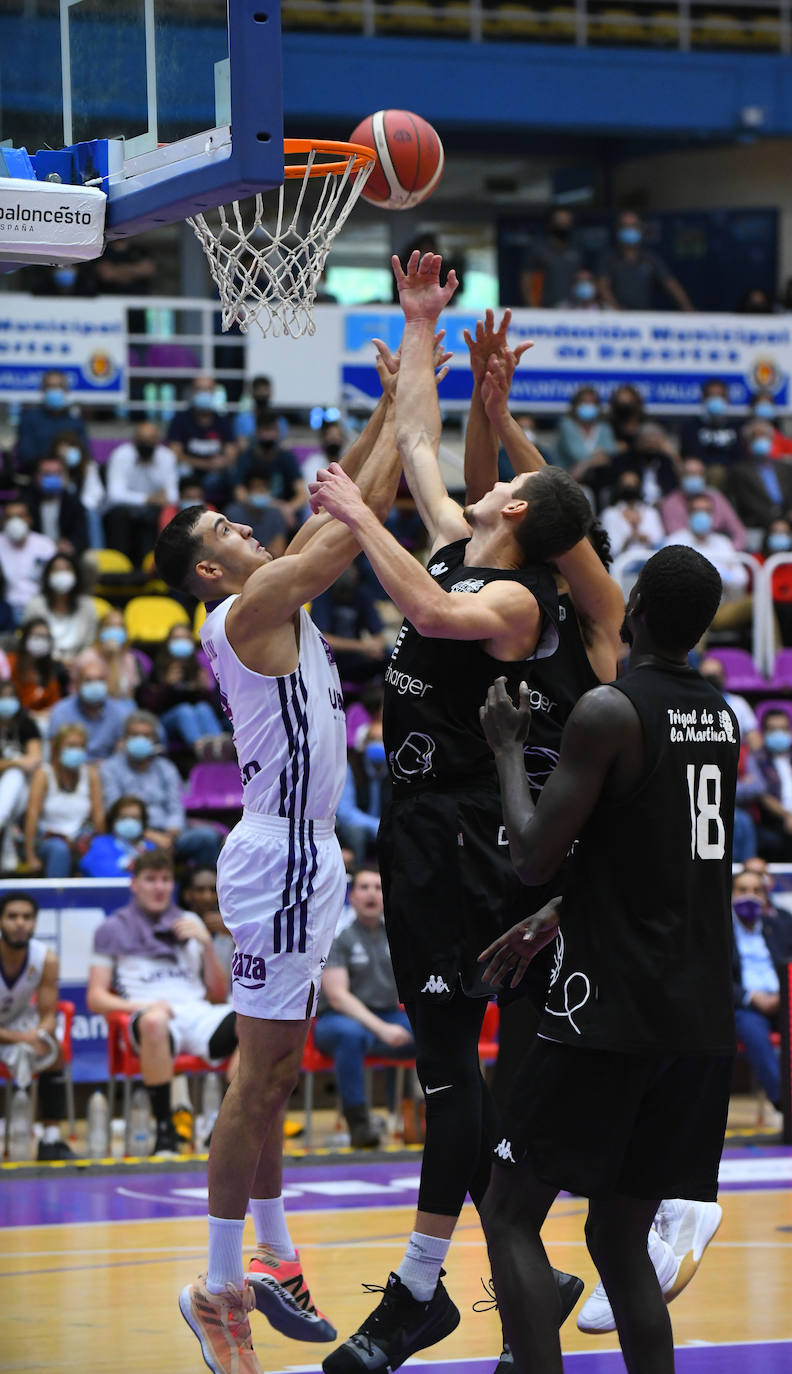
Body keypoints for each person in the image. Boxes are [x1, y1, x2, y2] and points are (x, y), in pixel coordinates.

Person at [312, 255, 591, 1374]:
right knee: (448, 1074)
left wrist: (347, 510)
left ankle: (420, 1294)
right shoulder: (466, 546)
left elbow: (423, 604)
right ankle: (518, 1266)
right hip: (415, 824)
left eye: (495, 491)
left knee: (446, 1073)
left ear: (515, 511)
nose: (469, 493)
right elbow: (423, 445)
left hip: (468, 840)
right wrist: (418, 326)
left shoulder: (515, 596)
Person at [153, 332, 415, 1374]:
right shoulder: (250, 605)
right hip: (278, 862)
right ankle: (222, 1289)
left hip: (298, 858)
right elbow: (347, 532)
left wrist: (390, 411)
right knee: (258, 1081)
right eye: (227, 527)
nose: (248, 526)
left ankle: (273, 1258)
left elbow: (334, 506)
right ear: (212, 570)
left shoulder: (273, 588)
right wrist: (412, 409)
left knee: (273, 1076)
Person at [476, 544, 738, 1374]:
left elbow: (530, 854)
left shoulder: (607, 711)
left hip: (613, 1006)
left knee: (511, 1209)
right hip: (697, 1013)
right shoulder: (721, 716)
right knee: (618, 1228)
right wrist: (564, 910)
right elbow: (656, 851)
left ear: (637, 608)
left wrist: (508, 749)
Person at [86, 849, 235, 1156]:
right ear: (134, 884)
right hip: (148, 1015)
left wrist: (207, 944)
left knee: (254, 1020)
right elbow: (96, 997)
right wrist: (146, 1005)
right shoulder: (111, 928)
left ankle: (227, 1124)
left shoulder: (189, 921)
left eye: (165, 880)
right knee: (155, 1022)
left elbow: (218, 996)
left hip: (197, 1013)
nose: (159, 887)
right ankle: (165, 1132)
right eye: (150, 879)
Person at [314, 867, 413, 1148]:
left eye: (378, 888)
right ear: (352, 896)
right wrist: (382, 1029)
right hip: (339, 1020)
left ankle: (422, 1115)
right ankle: (359, 1123)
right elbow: (338, 997)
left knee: (435, 1034)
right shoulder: (337, 937)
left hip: (389, 1014)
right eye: (364, 887)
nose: (372, 893)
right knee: (351, 1035)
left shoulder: (396, 935)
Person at [0, 890, 76, 1159]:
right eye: (12, 917)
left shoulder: (45, 958)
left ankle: (51, 1140)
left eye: (27, 917)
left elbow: (48, 1012)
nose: (20, 923)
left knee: (51, 1046)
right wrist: (21, 1038)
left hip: (17, 1021)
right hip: (9, 1031)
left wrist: (41, 1033)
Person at [100, 711, 222, 871]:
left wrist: (170, 835)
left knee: (207, 838)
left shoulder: (166, 768)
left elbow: (176, 807)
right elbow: (114, 811)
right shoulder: (110, 768)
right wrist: (150, 835)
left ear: (155, 740)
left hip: (169, 835)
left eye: (146, 736)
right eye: (135, 735)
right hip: (132, 836)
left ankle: (199, 890)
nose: (140, 740)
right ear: (124, 739)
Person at [731, 865, 792, 1120]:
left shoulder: (780, 925)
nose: (750, 896)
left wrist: (784, 994)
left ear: (766, 896)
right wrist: (751, 997)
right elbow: (714, 976)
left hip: (784, 1000)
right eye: (742, 890)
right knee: (752, 1031)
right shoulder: (718, 930)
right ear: (730, 894)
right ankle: (786, 1105)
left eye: (757, 890)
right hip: (746, 1005)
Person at [24, 722, 103, 877]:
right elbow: (31, 815)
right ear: (58, 747)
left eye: (81, 747)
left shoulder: (90, 773)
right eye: (71, 746)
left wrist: (102, 846)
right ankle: (57, 900)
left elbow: (98, 815)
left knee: (94, 850)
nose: (76, 751)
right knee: (60, 850)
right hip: (48, 839)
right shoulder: (44, 774)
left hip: (81, 838)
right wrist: (30, 856)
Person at [137, 624, 227, 755]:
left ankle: (219, 745)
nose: (181, 642)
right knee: (184, 711)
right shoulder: (159, 667)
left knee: (203, 708)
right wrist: (167, 685)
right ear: (168, 642)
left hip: (195, 717)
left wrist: (205, 690)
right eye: (177, 638)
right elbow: (150, 706)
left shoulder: (197, 667)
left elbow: (214, 707)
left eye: (185, 638)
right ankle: (201, 748)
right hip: (167, 720)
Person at [104, 422, 179, 566]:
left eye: (150, 441)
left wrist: (151, 466)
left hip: (151, 512)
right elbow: (115, 495)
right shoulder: (121, 455)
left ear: (157, 441)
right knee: (118, 516)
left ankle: (149, 566)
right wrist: (148, 499)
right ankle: (120, 566)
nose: (146, 444)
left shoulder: (166, 457)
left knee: (159, 515)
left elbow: (172, 497)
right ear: (134, 440)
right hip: (123, 511)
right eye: (142, 441)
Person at [597, 211, 694, 312]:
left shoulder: (649, 258)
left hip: (643, 316)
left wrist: (687, 307)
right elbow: (602, 286)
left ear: (640, 230)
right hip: (616, 317)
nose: (630, 229)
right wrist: (617, 309)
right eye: (625, 226)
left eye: (633, 226)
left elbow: (671, 284)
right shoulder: (608, 258)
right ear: (618, 230)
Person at [48, 650, 135, 760]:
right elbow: (54, 754)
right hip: (72, 769)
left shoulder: (120, 712)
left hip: (107, 771)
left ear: (107, 683)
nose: (95, 685)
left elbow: (122, 755)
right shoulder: (61, 711)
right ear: (77, 683)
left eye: (100, 680)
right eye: (88, 680)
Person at [310, 564, 389, 684]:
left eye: (347, 593)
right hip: (331, 659)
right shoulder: (322, 595)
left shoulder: (361, 594)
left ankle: (377, 699)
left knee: (388, 657)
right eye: (341, 594)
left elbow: (379, 635)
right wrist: (362, 647)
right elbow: (323, 639)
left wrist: (375, 647)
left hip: (355, 658)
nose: (345, 597)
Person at [166, 376, 237, 504]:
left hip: (214, 476)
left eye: (208, 389)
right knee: (182, 470)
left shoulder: (224, 421)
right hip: (190, 474)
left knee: (231, 473)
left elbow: (231, 455)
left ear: (215, 393)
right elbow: (174, 454)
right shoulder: (180, 420)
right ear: (192, 392)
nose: (204, 393)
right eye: (200, 389)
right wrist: (205, 464)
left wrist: (223, 462)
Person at [24, 553, 98, 664]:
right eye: (56, 570)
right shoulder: (35, 605)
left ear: (76, 574)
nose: (62, 574)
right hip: (44, 665)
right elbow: (29, 640)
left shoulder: (87, 605)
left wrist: (76, 662)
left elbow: (91, 642)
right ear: (48, 576)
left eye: (67, 569)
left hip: (80, 666)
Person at [0, 679, 43, 872]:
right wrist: (16, 761)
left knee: (15, 777)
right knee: (15, 771)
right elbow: (24, 761)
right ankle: (6, 834)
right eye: (2, 697)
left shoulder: (26, 724)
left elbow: (34, 760)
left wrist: (12, 765)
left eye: (11, 697)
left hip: (23, 789)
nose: (6, 701)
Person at [660, 456, 746, 549]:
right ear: (680, 476)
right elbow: (676, 537)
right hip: (686, 551)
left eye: (698, 474)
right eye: (689, 474)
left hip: (716, 549)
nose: (694, 477)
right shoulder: (670, 503)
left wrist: (729, 551)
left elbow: (738, 531)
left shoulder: (716, 497)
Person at [15, 370, 89, 473]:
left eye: (59, 386)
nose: (55, 390)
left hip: (71, 478)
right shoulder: (29, 419)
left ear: (66, 391)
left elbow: (86, 455)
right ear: (43, 390)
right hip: (36, 478)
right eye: (50, 386)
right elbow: (26, 456)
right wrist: (56, 454)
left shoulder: (76, 422)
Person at [726, 419, 792, 528]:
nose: (760, 440)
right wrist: (776, 520)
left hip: (787, 521)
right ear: (748, 443)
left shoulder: (786, 468)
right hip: (757, 523)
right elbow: (747, 502)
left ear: (771, 440)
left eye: (764, 436)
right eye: (755, 437)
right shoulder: (739, 471)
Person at [0, 501, 56, 624]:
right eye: (9, 517)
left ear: (29, 519)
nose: (15, 521)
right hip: (5, 609)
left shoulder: (45, 545)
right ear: (3, 521)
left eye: (20, 516)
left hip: (41, 606)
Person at [26, 452, 88, 555]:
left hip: (65, 555)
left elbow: (81, 537)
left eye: (57, 474)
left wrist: (70, 545)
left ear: (65, 476)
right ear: (36, 476)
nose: (52, 478)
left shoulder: (74, 503)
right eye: (47, 474)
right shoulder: (27, 502)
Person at [519, 208, 583, 308]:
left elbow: (583, 278)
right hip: (545, 307)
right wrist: (532, 305)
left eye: (567, 222)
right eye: (560, 221)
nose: (563, 225)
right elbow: (526, 278)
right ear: (551, 223)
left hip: (573, 307)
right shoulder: (538, 248)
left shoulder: (577, 248)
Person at [79, 794, 154, 878]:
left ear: (142, 822)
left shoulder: (151, 848)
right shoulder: (100, 844)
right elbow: (103, 876)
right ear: (113, 820)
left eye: (135, 818)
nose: (129, 823)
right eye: (123, 818)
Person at [7, 618, 67, 722]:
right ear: (25, 637)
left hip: (40, 721)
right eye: (37, 636)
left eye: (45, 637)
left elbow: (54, 705)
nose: (41, 641)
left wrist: (42, 715)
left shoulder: (50, 669)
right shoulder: (9, 662)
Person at [224, 464, 288, 558]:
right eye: (257, 487)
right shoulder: (233, 513)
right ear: (247, 490)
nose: (261, 490)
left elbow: (278, 551)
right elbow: (232, 551)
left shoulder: (275, 514)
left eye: (264, 487)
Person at [679, 379, 741, 474]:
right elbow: (691, 455)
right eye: (711, 396)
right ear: (703, 399)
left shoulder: (736, 427)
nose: (716, 400)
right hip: (702, 474)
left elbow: (739, 457)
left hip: (732, 474)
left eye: (720, 396)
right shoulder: (691, 427)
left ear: (727, 400)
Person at [553, 386, 616, 479]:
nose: (588, 405)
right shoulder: (567, 426)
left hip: (598, 477)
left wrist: (585, 465)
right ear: (576, 405)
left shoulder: (604, 427)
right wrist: (597, 458)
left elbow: (611, 452)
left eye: (591, 402)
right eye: (584, 402)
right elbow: (577, 454)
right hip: (567, 478)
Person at [599, 471, 664, 557]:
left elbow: (660, 541)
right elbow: (611, 550)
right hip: (622, 563)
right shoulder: (609, 514)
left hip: (649, 560)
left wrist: (645, 538)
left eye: (634, 484)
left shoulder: (650, 512)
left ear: (639, 487)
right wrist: (629, 539)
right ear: (618, 487)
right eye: (626, 485)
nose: (630, 487)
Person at [95, 608, 142, 700]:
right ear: (100, 630)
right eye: (110, 626)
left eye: (119, 626)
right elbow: (109, 694)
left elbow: (130, 697)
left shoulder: (129, 659)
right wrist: (113, 658)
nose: (115, 630)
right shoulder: (88, 657)